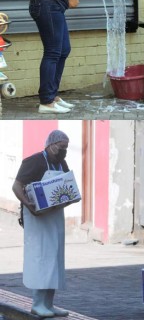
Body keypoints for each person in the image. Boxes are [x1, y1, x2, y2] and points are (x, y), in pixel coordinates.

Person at [12, 130, 71, 317]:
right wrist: (28, 205)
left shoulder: (61, 163)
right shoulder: (35, 161)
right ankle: (37, 304)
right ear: (50, 145)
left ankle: (49, 304)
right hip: (36, 216)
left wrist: (71, 197)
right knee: (40, 258)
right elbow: (16, 186)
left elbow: (68, 185)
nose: (63, 152)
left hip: (54, 216)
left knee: (54, 259)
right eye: (61, 148)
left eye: (66, 148)